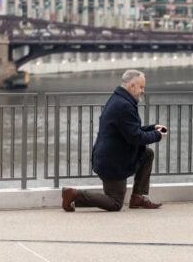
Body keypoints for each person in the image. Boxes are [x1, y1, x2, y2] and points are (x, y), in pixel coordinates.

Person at [61, 69, 168, 212]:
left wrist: (152, 128)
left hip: (114, 156)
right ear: (132, 86)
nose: (143, 91)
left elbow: (129, 130)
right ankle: (74, 194)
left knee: (147, 154)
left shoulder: (120, 99)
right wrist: (158, 135)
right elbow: (135, 137)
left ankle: (137, 197)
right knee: (115, 203)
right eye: (141, 87)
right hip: (112, 162)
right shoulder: (124, 105)